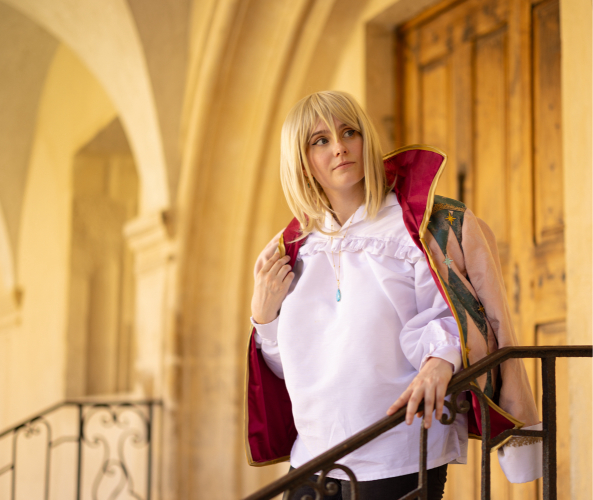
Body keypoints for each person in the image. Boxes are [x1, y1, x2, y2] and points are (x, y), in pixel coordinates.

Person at [245, 91, 542, 500]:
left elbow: (452, 315)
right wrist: (264, 319)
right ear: (301, 160)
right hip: (313, 457)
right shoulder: (291, 249)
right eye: (321, 140)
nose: (340, 147)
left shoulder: (416, 227)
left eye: (349, 132)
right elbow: (284, 368)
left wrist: (440, 362)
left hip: (399, 448)